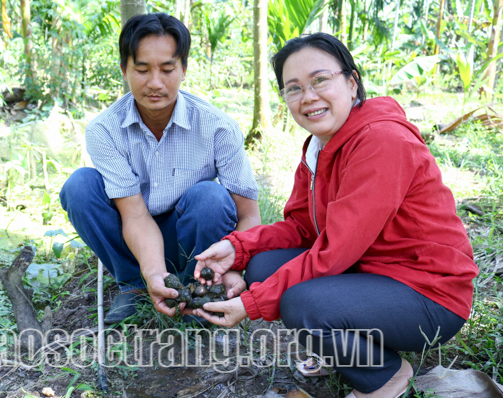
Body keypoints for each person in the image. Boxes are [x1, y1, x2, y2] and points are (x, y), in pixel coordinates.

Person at [190, 33, 479, 397]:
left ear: (352, 82)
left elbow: (334, 253)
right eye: (293, 88)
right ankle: (346, 351)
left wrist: (250, 304)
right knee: (264, 267)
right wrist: (238, 248)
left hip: (429, 294)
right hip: (372, 270)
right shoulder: (318, 146)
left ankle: (387, 376)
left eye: (320, 80)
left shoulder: (382, 142)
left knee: (303, 306)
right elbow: (300, 226)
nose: (308, 97)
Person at [59, 13, 261, 325]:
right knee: (79, 187)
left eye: (167, 69)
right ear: (125, 69)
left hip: (192, 235)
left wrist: (233, 267)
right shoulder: (104, 130)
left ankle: (199, 286)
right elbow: (135, 215)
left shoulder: (218, 127)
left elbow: (248, 215)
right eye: (142, 69)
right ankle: (136, 285)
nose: (155, 83)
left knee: (211, 197)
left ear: (184, 69)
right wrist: (153, 271)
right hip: (134, 233)